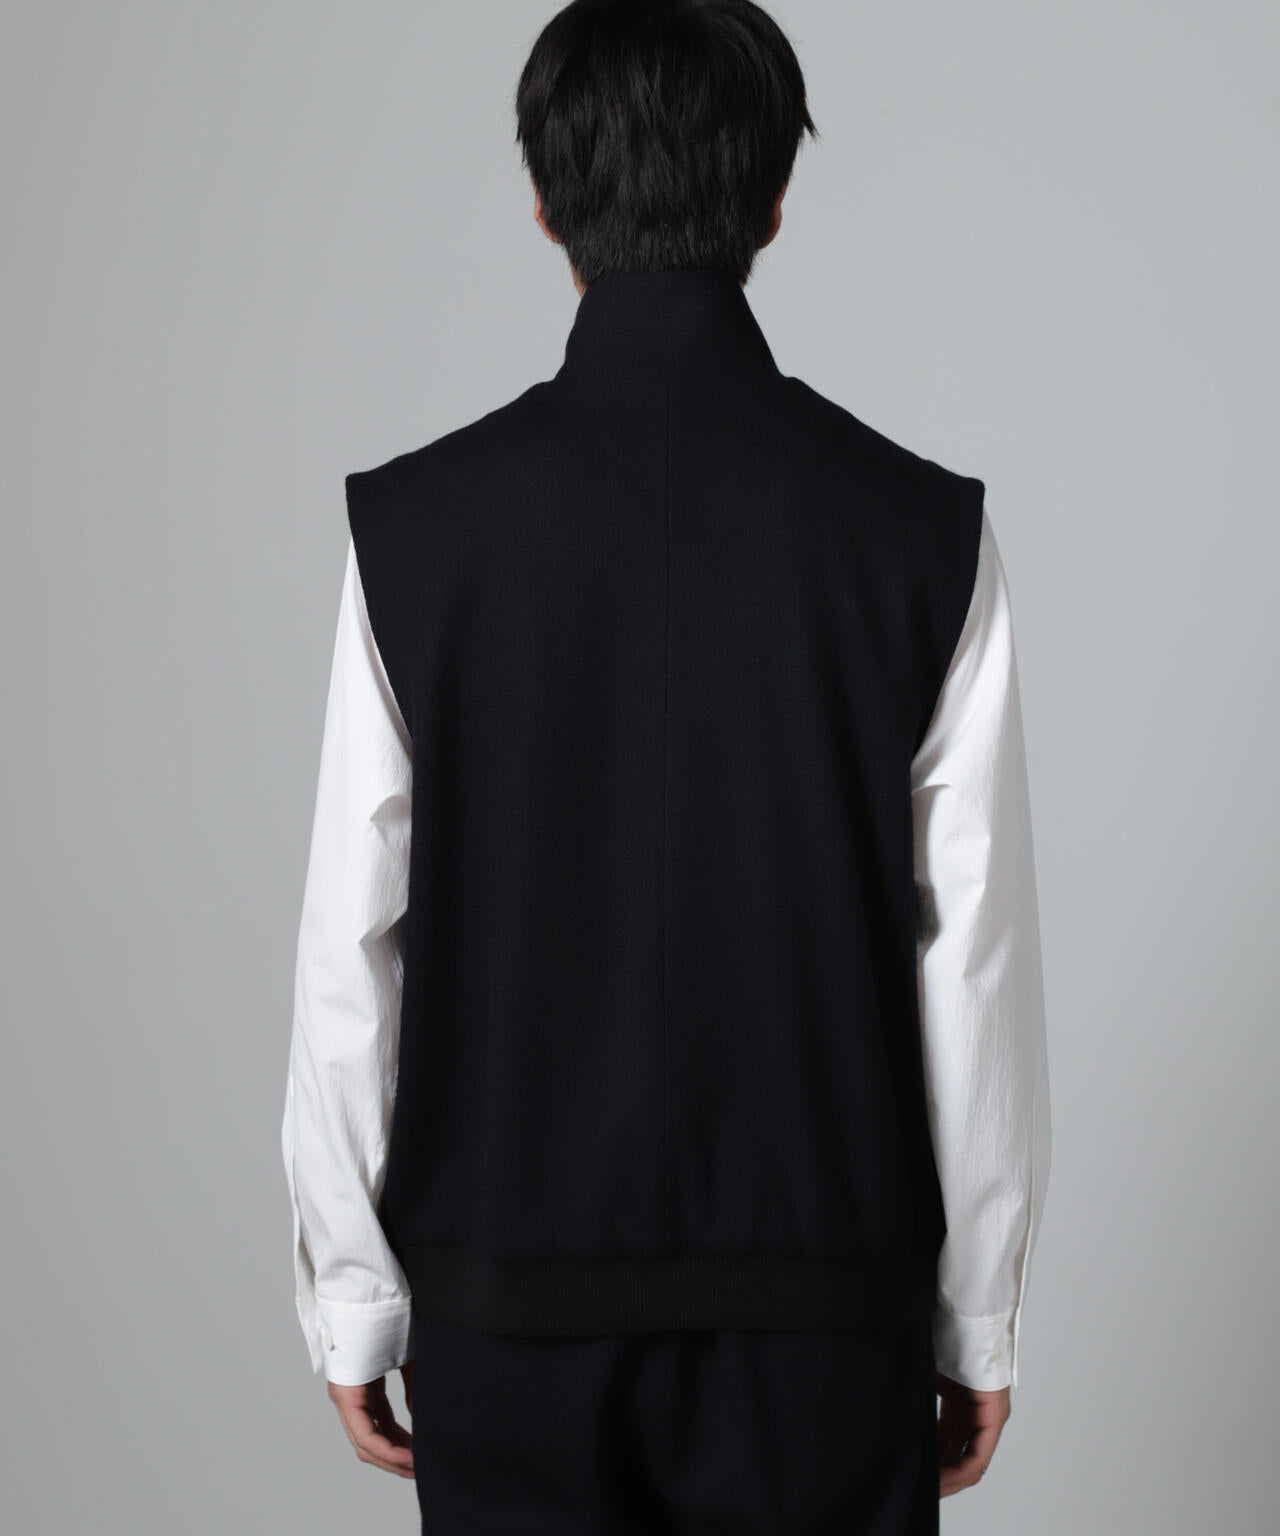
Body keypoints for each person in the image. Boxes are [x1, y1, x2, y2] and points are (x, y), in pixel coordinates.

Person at [281, 1, 1052, 1529]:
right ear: (775, 199)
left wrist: (353, 1295)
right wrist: (977, 1317)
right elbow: (972, 966)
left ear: (544, 202)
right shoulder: (920, 531)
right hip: (826, 1306)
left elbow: (349, 948)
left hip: (507, 1305)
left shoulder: (418, 531)